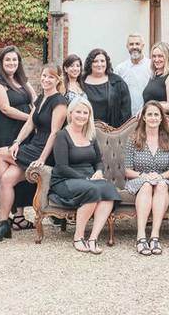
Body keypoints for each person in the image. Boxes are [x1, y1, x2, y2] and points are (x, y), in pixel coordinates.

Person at [0, 64, 68, 242]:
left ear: (57, 79)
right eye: (43, 76)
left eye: (50, 77)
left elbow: (54, 133)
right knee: (7, 179)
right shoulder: (41, 98)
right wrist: (17, 142)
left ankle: (5, 216)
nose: (46, 79)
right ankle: (4, 224)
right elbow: (29, 124)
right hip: (33, 145)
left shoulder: (60, 102)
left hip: (45, 150)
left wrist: (42, 159)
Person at [50, 98, 121, 254]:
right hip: (65, 179)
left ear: (89, 115)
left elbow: (98, 161)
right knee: (92, 190)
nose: (82, 116)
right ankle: (78, 236)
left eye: (85, 113)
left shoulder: (90, 135)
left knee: (108, 190)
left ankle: (93, 238)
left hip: (89, 178)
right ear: (71, 113)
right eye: (78, 112)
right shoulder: (62, 135)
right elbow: (62, 167)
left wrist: (99, 171)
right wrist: (87, 179)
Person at [0, 45, 37, 232]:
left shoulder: (23, 81)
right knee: (6, 171)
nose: (12, 63)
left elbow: (36, 101)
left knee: (21, 169)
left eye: (15, 60)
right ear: (1, 62)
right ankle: (4, 216)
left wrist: (36, 116)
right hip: (5, 129)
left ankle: (20, 216)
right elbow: (5, 108)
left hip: (24, 132)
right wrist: (31, 119)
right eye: (8, 60)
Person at [123, 102, 169, 255]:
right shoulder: (133, 139)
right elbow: (128, 170)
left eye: (156, 114)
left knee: (160, 186)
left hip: (161, 178)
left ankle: (154, 237)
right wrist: (144, 176)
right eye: (150, 114)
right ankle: (141, 236)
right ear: (144, 118)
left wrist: (159, 176)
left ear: (161, 118)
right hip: (138, 179)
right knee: (147, 185)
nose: (153, 118)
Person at [82, 48, 132, 128]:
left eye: (102, 61)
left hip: (112, 132)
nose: (99, 64)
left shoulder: (117, 82)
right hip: (85, 130)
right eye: (95, 61)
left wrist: (119, 132)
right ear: (90, 63)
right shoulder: (81, 82)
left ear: (107, 63)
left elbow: (126, 111)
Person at [114, 32, 151, 115]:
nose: (134, 47)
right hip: (126, 117)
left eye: (137, 44)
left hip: (148, 115)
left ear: (142, 45)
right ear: (127, 46)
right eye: (131, 44)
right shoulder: (120, 69)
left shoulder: (151, 66)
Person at [141, 41, 169, 117]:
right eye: (154, 56)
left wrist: (147, 107)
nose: (156, 59)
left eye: (160, 56)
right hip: (150, 120)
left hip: (164, 122)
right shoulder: (154, 76)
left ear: (167, 57)